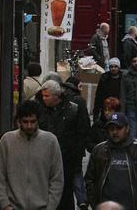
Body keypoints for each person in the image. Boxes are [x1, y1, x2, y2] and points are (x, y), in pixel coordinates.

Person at [0, 100, 64, 210]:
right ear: (19, 121)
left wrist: (50, 206)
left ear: (38, 120)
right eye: (25, 122)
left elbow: (57, 178)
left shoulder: (50, 141)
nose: (29, 126)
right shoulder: (7, 141)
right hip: (13, 206)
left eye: (33, 121)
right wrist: (5, 205)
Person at [84, 112, 137, 210]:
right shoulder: (99, 150)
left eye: (119, 128)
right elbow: (89, 180)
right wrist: (96, 205)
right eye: (111, 129)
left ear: (127, 128)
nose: (115, 132)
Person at [37, 80, 90, 210]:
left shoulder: (72, 109)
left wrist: (76, 156)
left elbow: (81, 132)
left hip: (66, 159)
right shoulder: (40, 110)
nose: (44, 99)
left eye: (47, 96)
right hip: (44, 160)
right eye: (43, 96)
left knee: (65, 194)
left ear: (56, 96)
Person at [63, 76, 92, 210]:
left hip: (66, 144)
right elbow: (84, 124)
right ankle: (81, 199)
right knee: (77, 171)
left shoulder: (62, 99)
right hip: (76, 143)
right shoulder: (78, 100)